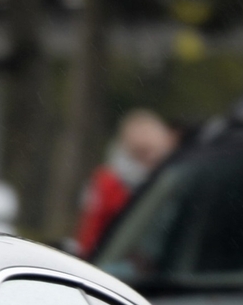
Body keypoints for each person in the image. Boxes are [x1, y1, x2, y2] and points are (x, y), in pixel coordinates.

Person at [73, 108, 178, 255]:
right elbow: (90, 232)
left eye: (151, 152)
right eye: (140, 152)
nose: (148, 160)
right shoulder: (106, 182)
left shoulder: (174, 179)